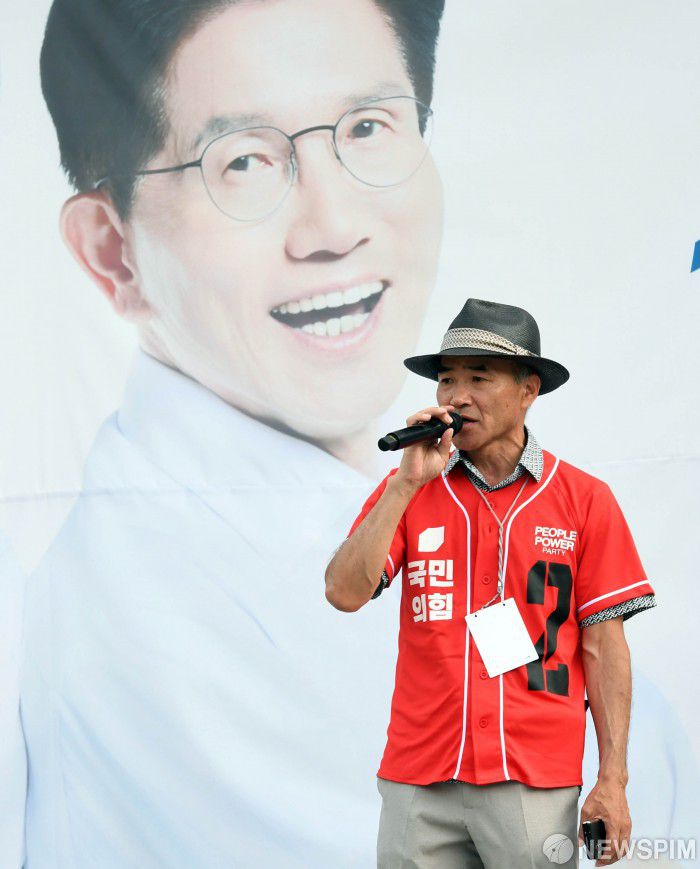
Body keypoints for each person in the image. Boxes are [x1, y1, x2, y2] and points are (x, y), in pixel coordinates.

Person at [20, 0, 444, 866]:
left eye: (368, 128)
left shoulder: (423, 492)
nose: (335, 228)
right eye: (244, 161)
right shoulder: (155, 629)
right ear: (113, 251)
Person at [326, 298, 658, 868]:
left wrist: (613, 780)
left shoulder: (585, 499)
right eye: (447, 380)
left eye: (479, 378)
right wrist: (404, 485)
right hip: (419, 777)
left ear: (528, 390)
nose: (457, 396)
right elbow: (343, 593)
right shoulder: (409, 488)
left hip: (533, 779)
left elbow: (605, 647)